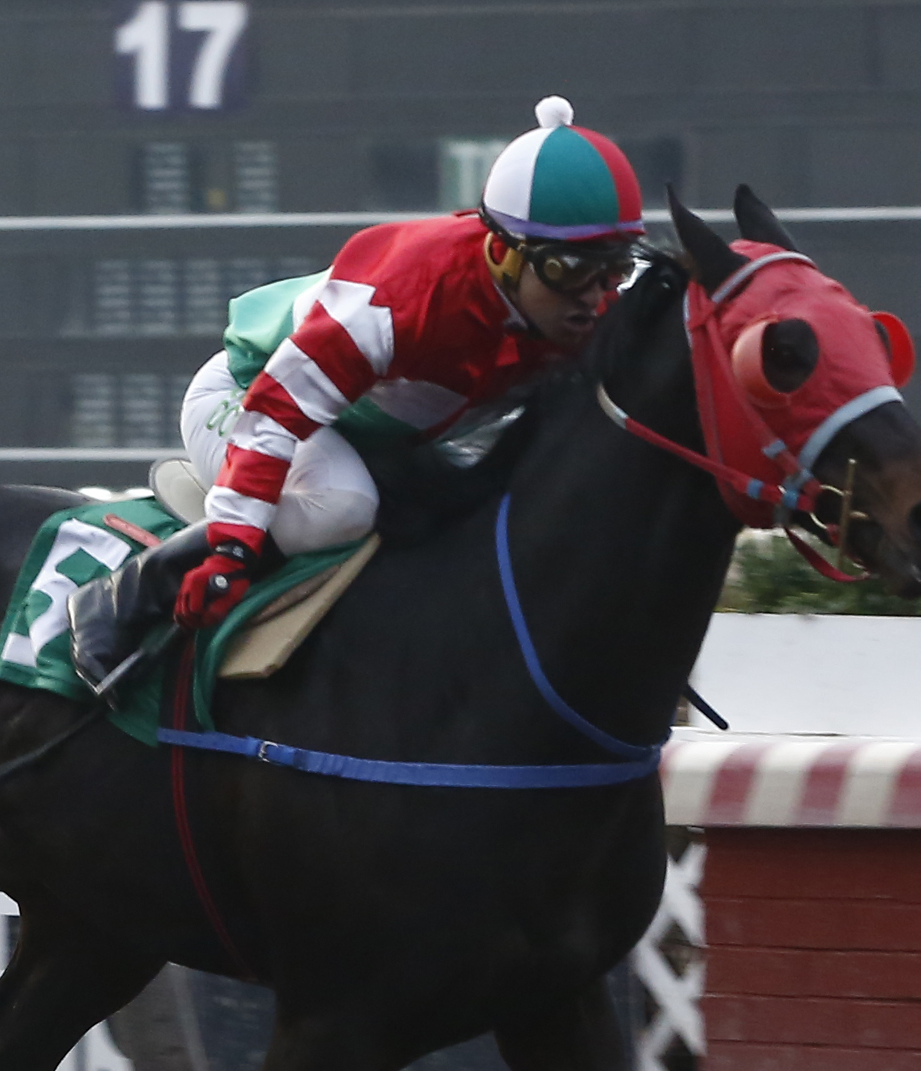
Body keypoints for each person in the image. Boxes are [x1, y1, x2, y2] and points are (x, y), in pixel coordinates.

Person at [68, 95, 645, 693]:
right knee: (344, 508)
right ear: (502, 253)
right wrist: (232, 551)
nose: (594, 298)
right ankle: (127, 593)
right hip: (249, 397)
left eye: (613, 269)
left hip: (369, 433)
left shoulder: (585, 307)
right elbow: (274, 416)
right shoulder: (396, 302)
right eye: (569, 269)